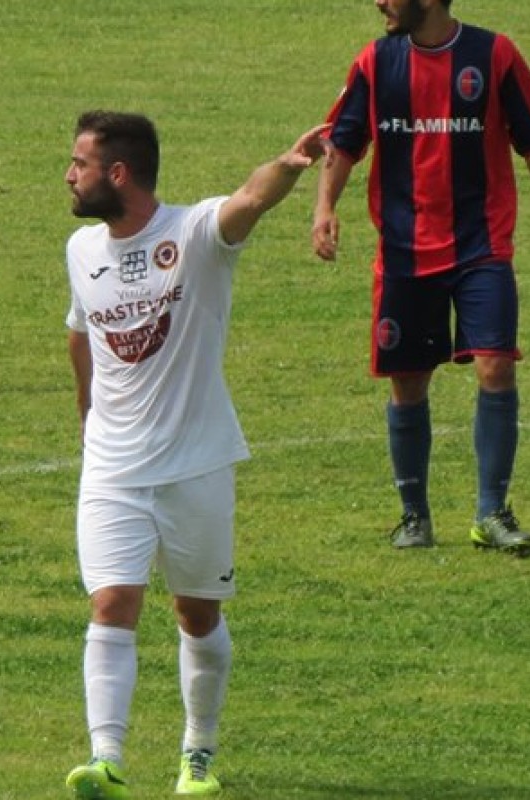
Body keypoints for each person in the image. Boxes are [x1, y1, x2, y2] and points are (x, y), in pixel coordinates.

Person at [60, 110, 331, 799]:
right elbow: (79, 332)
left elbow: (248, 200)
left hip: (196, 465)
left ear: (117, 174)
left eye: (79, 164)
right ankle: (107, 759)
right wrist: (88, 416)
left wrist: (289, 166)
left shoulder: (194, 235)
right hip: (113, 470)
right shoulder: (80, 248)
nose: (69, 175)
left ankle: (197, 756)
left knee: (195, 615)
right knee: (112, 602)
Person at [311, 0, 530, 555]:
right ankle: (414, 516)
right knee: (408, 382)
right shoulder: (374, 62)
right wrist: (324, 209)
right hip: (405, 253)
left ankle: (491, 512)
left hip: (481, 247)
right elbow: (342, 144)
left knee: (495, 367)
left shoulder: (494, 55)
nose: (380, 3)